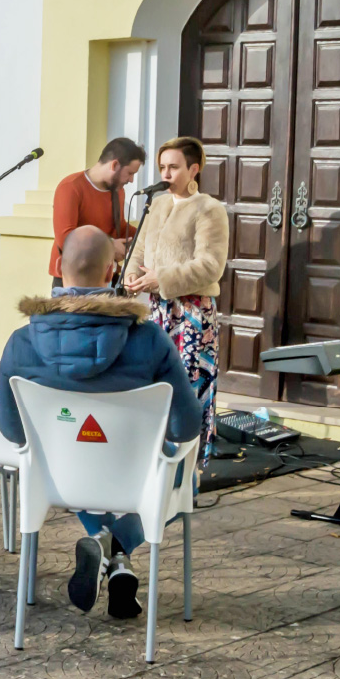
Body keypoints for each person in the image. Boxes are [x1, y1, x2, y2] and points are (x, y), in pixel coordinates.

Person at [0, 226, 198, 619]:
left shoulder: (21, 342)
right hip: (134, 478)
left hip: (60, 478)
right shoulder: (150, 340)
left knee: (71, 455)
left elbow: (10, 430)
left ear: (58, 266)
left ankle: (105, 546)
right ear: (112, 274)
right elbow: (185, 428)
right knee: (184, 474)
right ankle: (117, 545)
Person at [121, 136, 228, 462]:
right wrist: (131, 274)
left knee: (187, 386)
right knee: (153, 383)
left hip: (192, 313)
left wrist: (162, 278)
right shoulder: (158, 204)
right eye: (162, 167)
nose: (166, 173)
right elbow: (140, 248)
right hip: (156, 310)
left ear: (193, 169)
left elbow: (211, 266)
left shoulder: (209, 209)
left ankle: (188, 467)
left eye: (174, 167)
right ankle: (154, 459)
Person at [50, 137, 146, 288]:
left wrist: (147, 235)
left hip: (106, 275)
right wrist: (109, 246)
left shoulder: (118, 191)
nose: (131, 180)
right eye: (130, 173)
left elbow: (119, 227)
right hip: (73, 279)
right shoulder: (70, 187)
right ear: (114, 165)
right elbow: (65, 237)